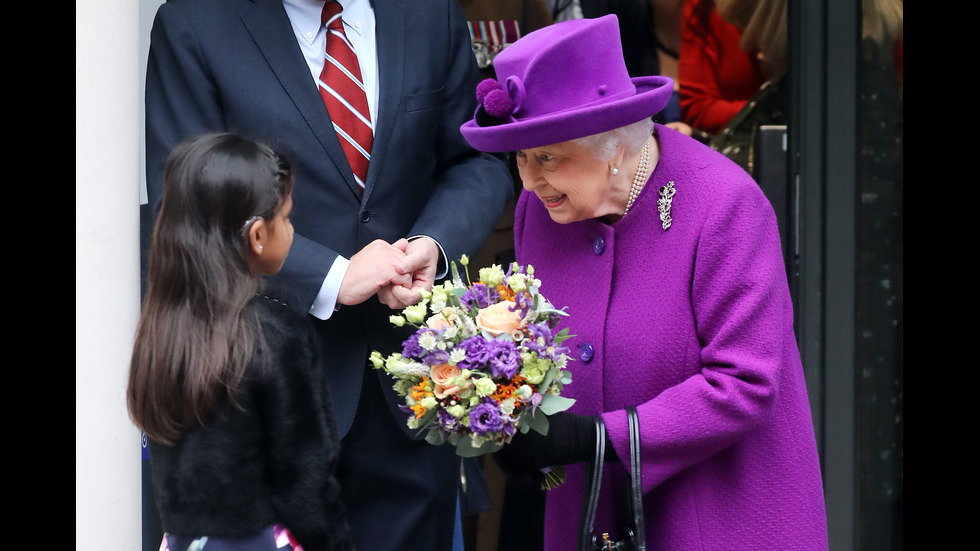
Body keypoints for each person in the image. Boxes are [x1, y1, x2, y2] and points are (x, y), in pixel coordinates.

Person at [143, 1, 513, 550]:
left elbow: (475, 159)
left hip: (410, 392)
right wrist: (331, 277)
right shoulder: (195, 23)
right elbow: (189, 209)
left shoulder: (428, 13)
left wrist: (433, 242)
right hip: (260, 399)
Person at [460, 15, 828, 550]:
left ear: (612, 145)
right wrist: (515, 424)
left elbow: (745, 385)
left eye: (547, 157)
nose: (530, 180)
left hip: (718, 515)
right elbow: (533, 351)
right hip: (591, 518)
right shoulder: (538, 214)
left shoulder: (724, 206)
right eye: (520, 156)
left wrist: (596, 436)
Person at [128, 133, 352, 551]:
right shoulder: (276, 337)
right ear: (257, 237)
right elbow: (305, 485)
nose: (290, 226)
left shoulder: (160, 331)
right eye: (286, 218)